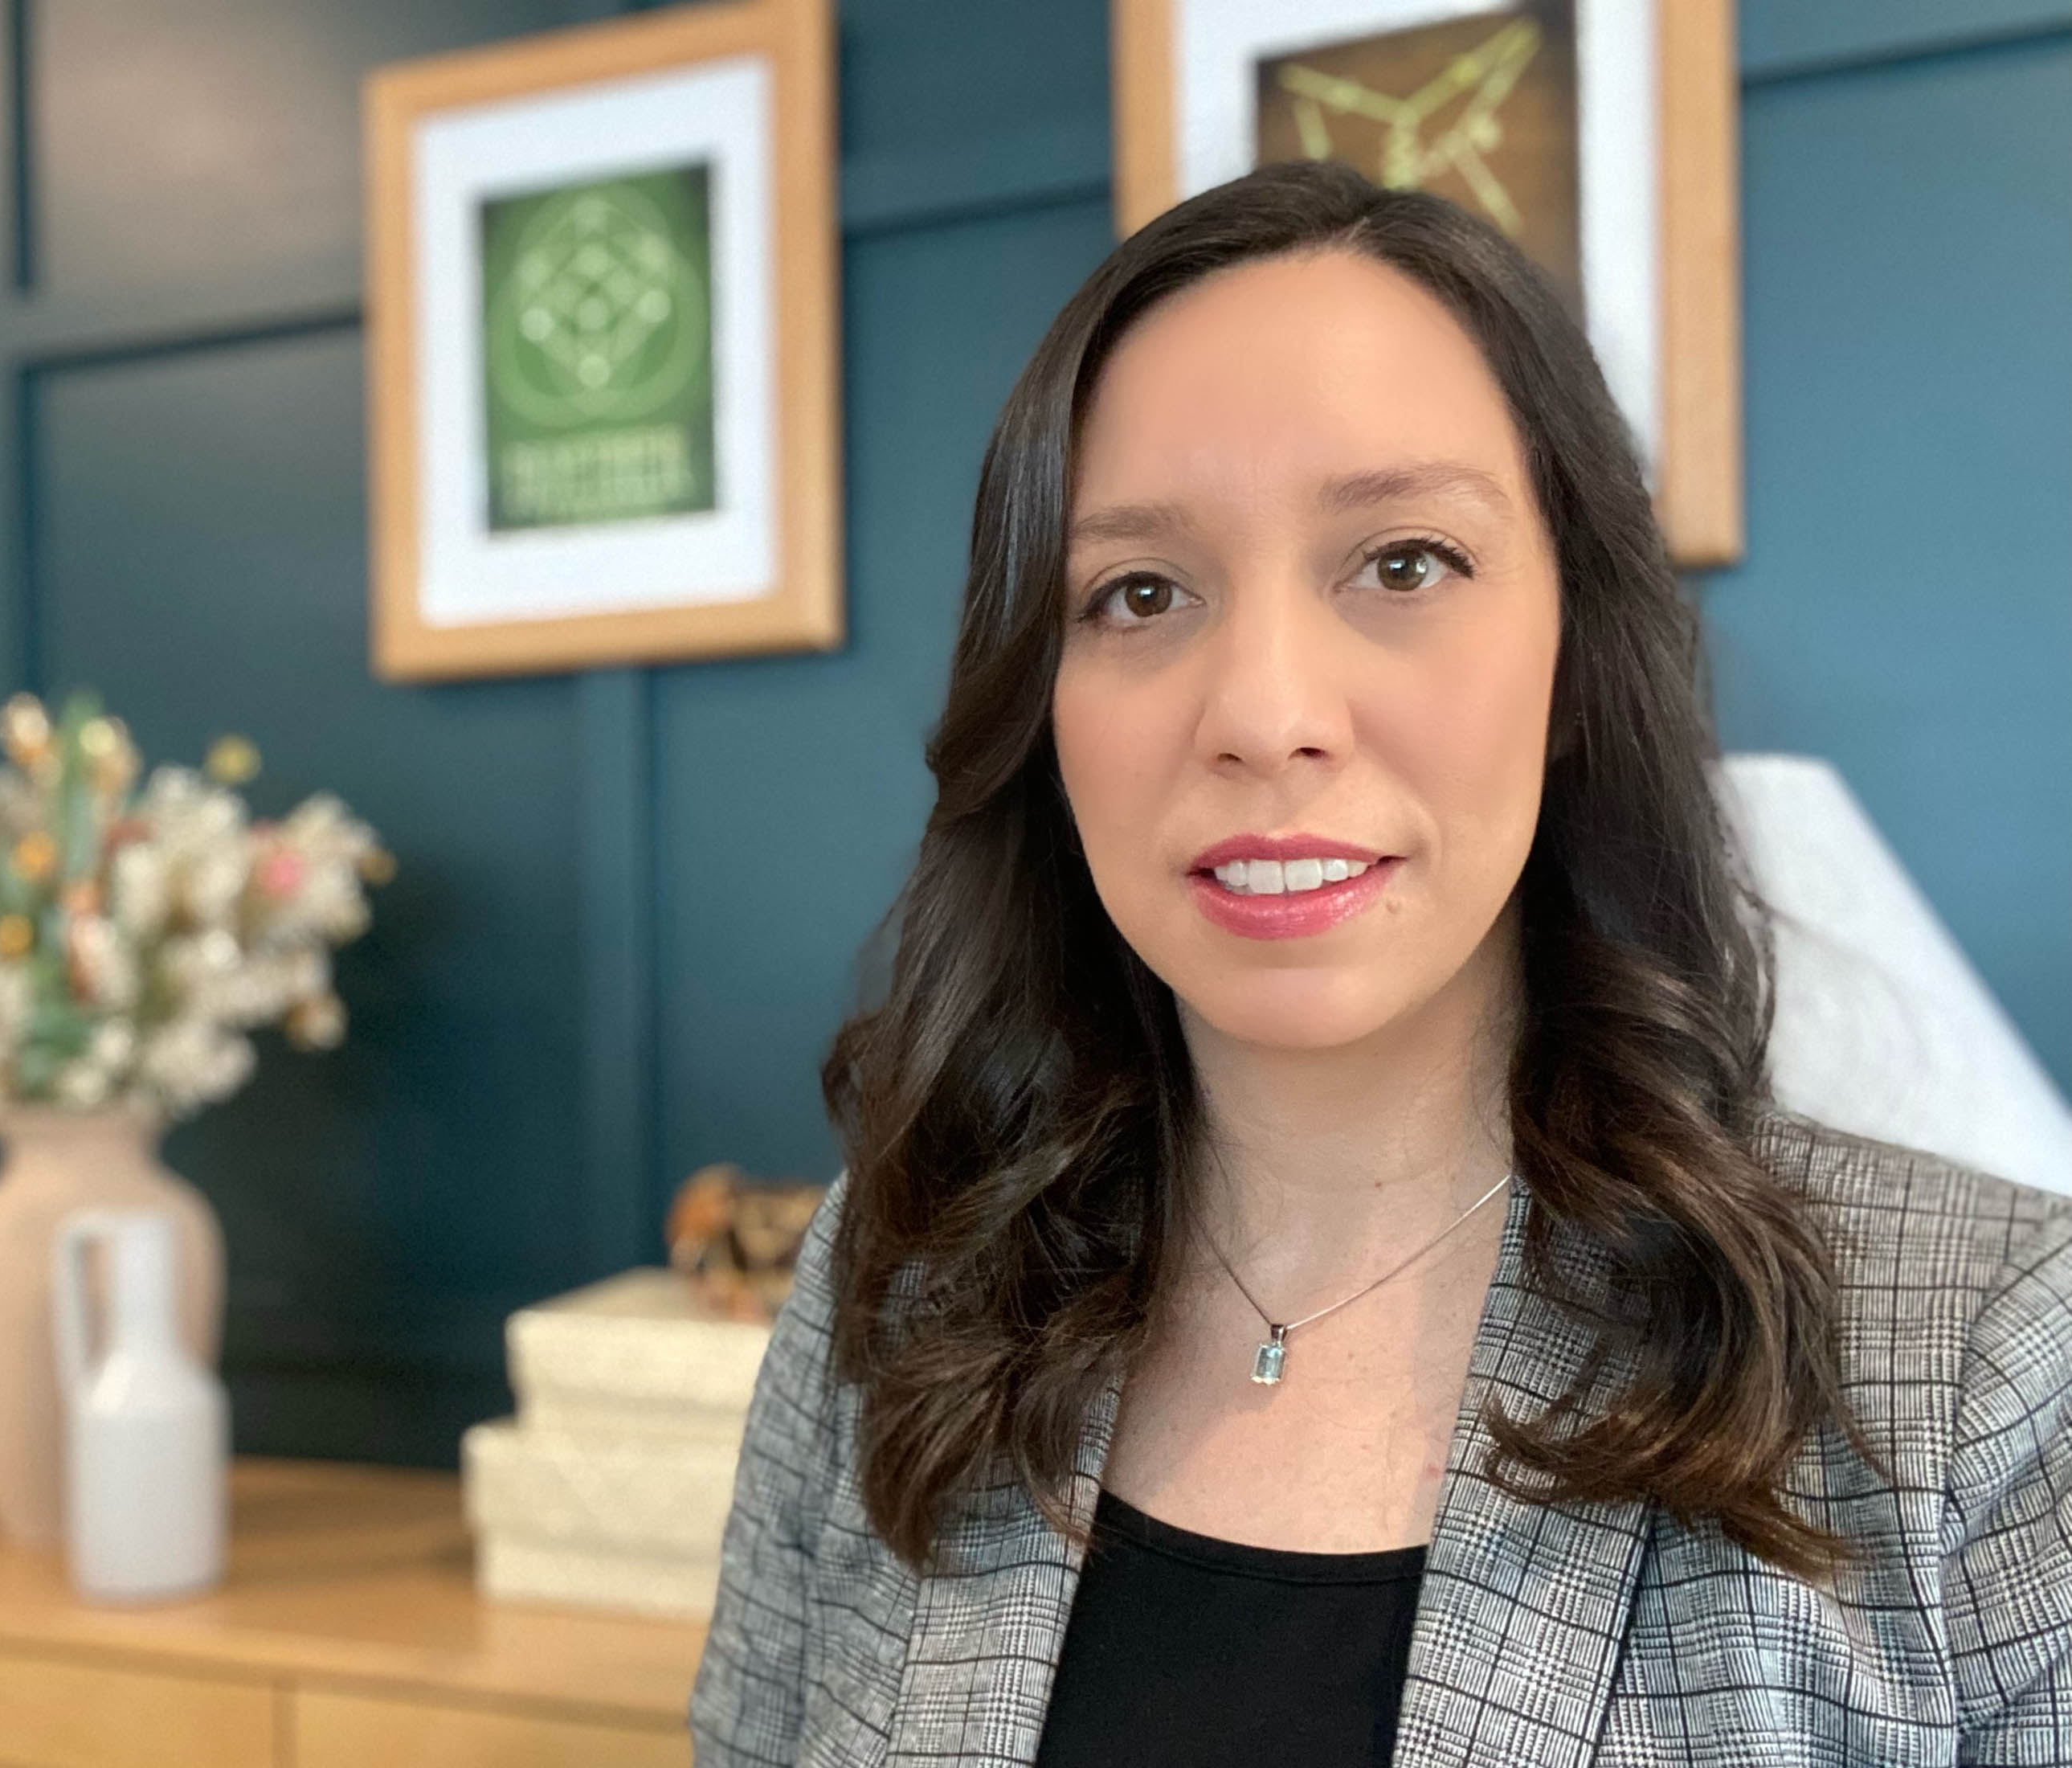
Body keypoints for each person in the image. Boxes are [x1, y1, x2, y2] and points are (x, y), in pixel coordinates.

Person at [689, 159, 2072, 1767]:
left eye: (1402, 561)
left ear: (1574, 651)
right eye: (1138, 591)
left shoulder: (1996, 1370)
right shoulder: (901, 1278)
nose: (1267, 709)